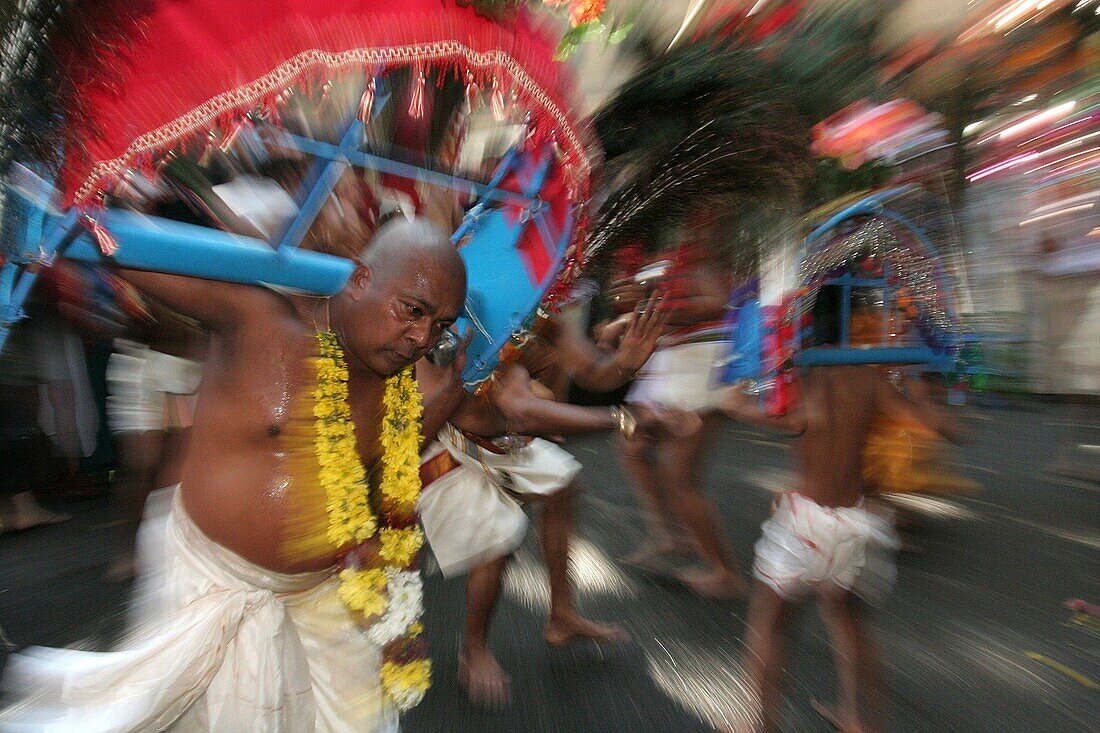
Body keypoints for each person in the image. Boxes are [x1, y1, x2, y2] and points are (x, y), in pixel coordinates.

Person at [0, 218, 466, 733]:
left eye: (441, 325)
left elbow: (380, 466)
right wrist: (45, 211)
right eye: (413, 310)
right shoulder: (259, 318)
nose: (422, 337)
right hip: (210, 584)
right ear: (359, 278)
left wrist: (457, 390)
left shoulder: (403, 379)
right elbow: (114, 243)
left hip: (322, 601)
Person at [416, 302, 694, 708]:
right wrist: (625, 419)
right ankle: (473, 650)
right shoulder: (480, 302)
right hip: (443, 445)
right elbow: (522, 410)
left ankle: (561, 616)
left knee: (563, 484)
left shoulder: (537, 309)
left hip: (503, 438)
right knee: (499, 538)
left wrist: (624, 364)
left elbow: (593, 372)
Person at [722, 285, 959, 733]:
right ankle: (860, 720)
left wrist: (740, 395)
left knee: (770, 623)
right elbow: (931, 426)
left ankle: (759, 721)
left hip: (804, 526)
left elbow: (775, 417)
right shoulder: (867, 379)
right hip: (856, 526)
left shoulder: (800, 378)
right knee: (850, 622)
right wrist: (926, 393)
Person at [618, 241, 747, 599]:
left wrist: (662, 308)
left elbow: (720, 302)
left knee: (680, 479)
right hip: (680, 366)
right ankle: (672, 535)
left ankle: (725, 574)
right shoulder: (671, 258)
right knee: (632, 445)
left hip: (700, 369)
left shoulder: (702, 260)